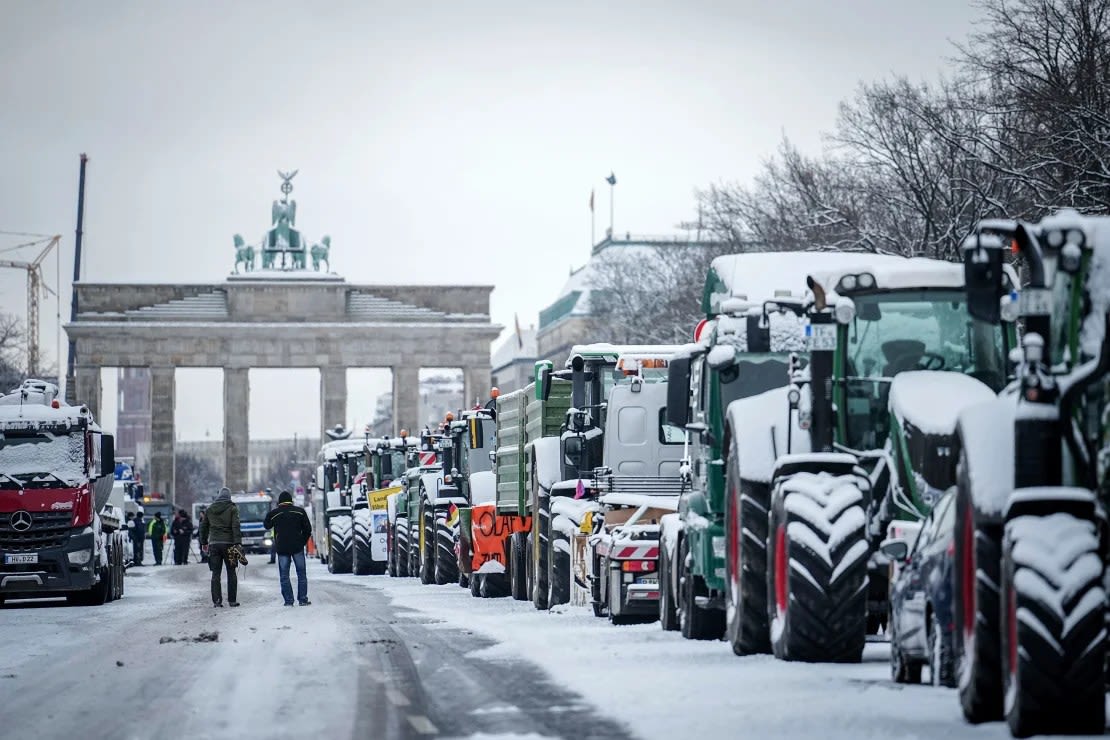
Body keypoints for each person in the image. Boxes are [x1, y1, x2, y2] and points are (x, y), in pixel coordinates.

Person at [263, 490, 312, 606]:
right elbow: (308, 530)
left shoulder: (275, 513)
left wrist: (271, 514)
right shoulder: (300, 512)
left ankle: (289, 600)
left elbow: (266, 525)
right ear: (291, 501)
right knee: (301, 574)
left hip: (282, 548)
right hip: (297, 547)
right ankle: (303, 599)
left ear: (279, 502)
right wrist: (302, 542)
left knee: (284, 575)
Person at [199, 487, 242, 607]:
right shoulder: (232, 509)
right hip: (229, 544)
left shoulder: (210, 509)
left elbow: (203, 526)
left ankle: (217, 601)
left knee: (215, 573)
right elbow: (235, 526)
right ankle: (232, 600)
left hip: (214, 545)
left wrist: (204, 542)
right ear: (229, 497)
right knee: (231, 572)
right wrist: (238, 543)